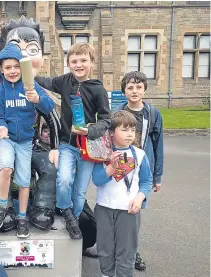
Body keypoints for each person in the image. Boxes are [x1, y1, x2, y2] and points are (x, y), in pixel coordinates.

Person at [0, 16, 61, 232]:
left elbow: (50, 113)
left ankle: (42, 208)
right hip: (8, 142)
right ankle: (4, 208)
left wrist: (54, 147)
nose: (16, 67)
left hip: (31, 143)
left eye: (32, 49)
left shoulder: (35, 88)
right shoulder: (1, 91)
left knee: (49, 167)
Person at [35, 42, 111, 240]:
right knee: (64, 180)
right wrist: (26, 74)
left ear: (92, 63)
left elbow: (106, 119)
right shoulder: (65, 81)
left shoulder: (97, 89)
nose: (79, 65)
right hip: (67, 145)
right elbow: (45, 81)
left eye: (83, 60)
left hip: (86, 147)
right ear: (68, 63)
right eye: (74, 61)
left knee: (79, 192)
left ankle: (73, 221)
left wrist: (91, 130)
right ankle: (65, 211)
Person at [91, 110, 152, 277]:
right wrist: (111, 167)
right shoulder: (102, 154)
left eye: (132, 130)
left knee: (127, 251)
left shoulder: (139, 155)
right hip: (104, 208)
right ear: (111, 133)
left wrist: (140, 198)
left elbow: (147, 182)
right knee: (105, 249)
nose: (130, 134)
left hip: (129, 211)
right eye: (124, 130)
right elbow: (97, 180)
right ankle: (106, 274)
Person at [116, 71, 164, 271]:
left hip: (143, 168)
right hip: (122, 166)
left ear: (144, 89)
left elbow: (158, 144)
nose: (134, 91)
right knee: (118, 209)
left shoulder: (153, 114)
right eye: (130, 87)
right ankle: (118, 250)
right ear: (124, 91)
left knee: (133, 214)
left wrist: (157, 176)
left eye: (138, 87)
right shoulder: (117, 113)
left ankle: (132, 252)